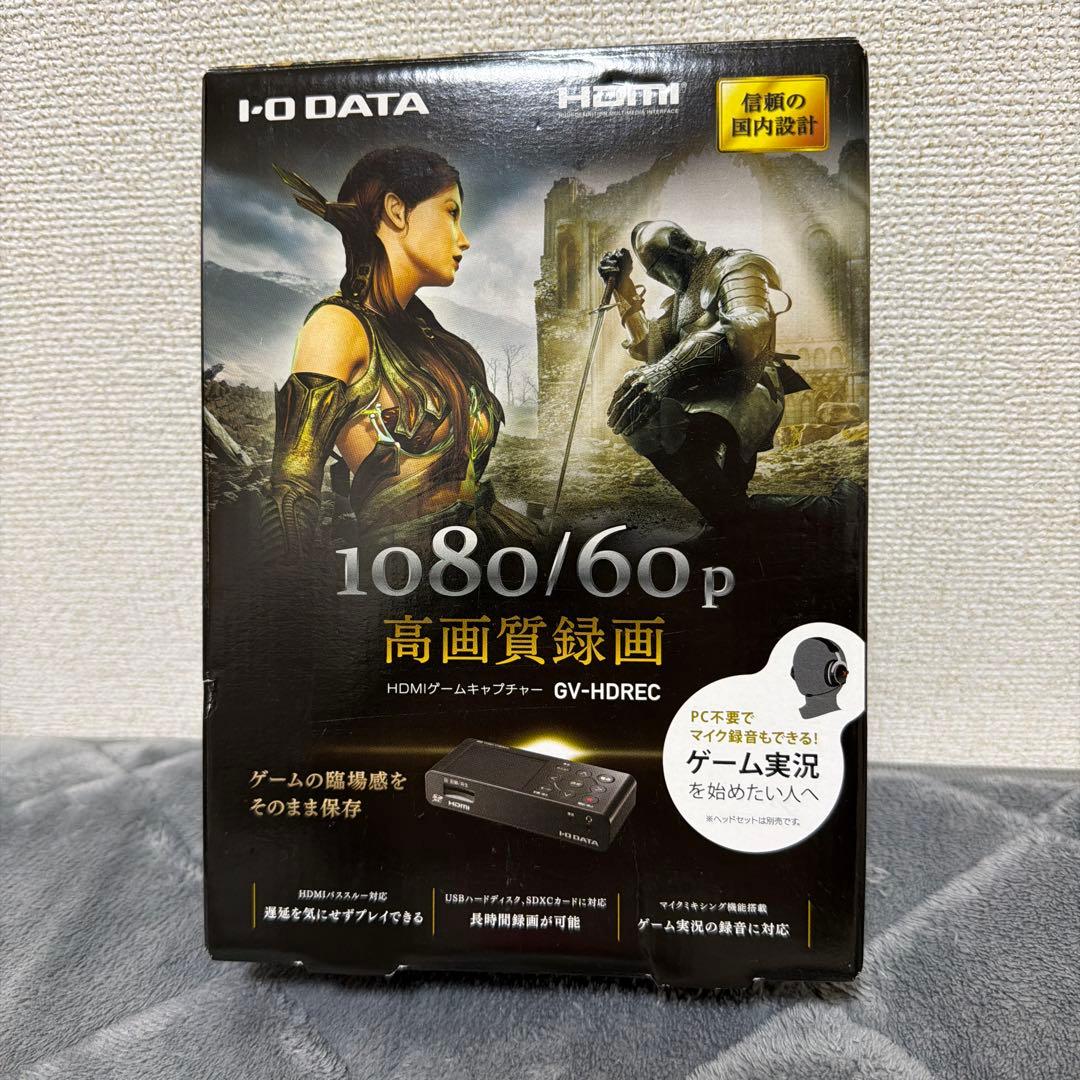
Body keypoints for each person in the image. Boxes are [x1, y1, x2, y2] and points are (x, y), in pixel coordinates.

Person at [267, 147, 536, 560]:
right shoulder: (338, 327)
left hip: (491, 547)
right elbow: (290, 496)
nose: (463, 239)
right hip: (407, 570)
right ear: (397, 211)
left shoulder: (434, 340)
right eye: (451, 212)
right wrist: (289, 594)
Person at [599, 221, 817, 526]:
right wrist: (623, 289)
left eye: (663, 266)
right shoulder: (677, 302)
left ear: (682, 246)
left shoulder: (736, 267)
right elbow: (651, 349)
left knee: (718, 483)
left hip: (747, 386)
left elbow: (747, 329)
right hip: (702, 392)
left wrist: (667, 369)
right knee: (643, 421)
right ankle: (734, 522)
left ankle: (824, 509)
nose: (664, 276)